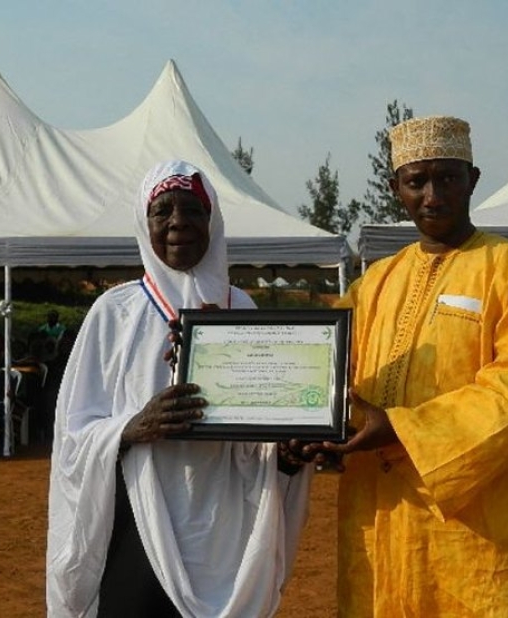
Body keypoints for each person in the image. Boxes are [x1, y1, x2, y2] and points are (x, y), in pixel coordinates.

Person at [313, 116, 508, 615]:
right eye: (416, 181)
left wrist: (401, 427)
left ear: (472, 180)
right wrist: (234, 335)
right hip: (384, 516)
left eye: (448, 178)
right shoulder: (373, 286)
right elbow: (324, 368)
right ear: (396, 189)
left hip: (482, 525)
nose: (433, 195)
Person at [47, 160, 312, 617]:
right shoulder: (115, 313)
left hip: (229, 527)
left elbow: (262, 431)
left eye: (192, 210)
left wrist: (286, 452)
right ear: (143, 222)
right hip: (137, 522)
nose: (177, 222)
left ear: (213, 221)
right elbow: (73, 435)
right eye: (162, 211)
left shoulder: (243, 310)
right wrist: (131, 427)